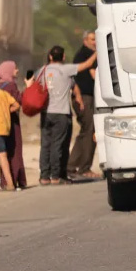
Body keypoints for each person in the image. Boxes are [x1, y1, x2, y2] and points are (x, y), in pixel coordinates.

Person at [34, 45, 97, 185]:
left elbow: (33, 85)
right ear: (63, 57)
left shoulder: (41, 71)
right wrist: (97, 52)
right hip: (61, 113)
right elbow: (87, 64)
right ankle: (56, 176)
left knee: (45, 145)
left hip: (46, 113)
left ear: (50, 56)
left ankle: (44, 177)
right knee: (58, 145)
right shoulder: (66, 70)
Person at [68, 30, 100, 179]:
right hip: (84, 99)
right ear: (85, 40)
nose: (94, 42)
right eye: (92, 39)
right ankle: (83, 167)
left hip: (89, 98)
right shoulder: (85, 55)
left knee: (87, 132)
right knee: (88, 132)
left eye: (96, 39)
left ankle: (73, 165)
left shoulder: (89, 54)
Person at [0, 61, 27, 190]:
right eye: (14, 69)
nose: (17, 71)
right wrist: (28, 88)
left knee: (5, 151)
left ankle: (5, 181)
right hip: (12, 123)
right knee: (15, 150)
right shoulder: (12, 86)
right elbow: (19, 101)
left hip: (1, 123)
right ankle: (16, 180)